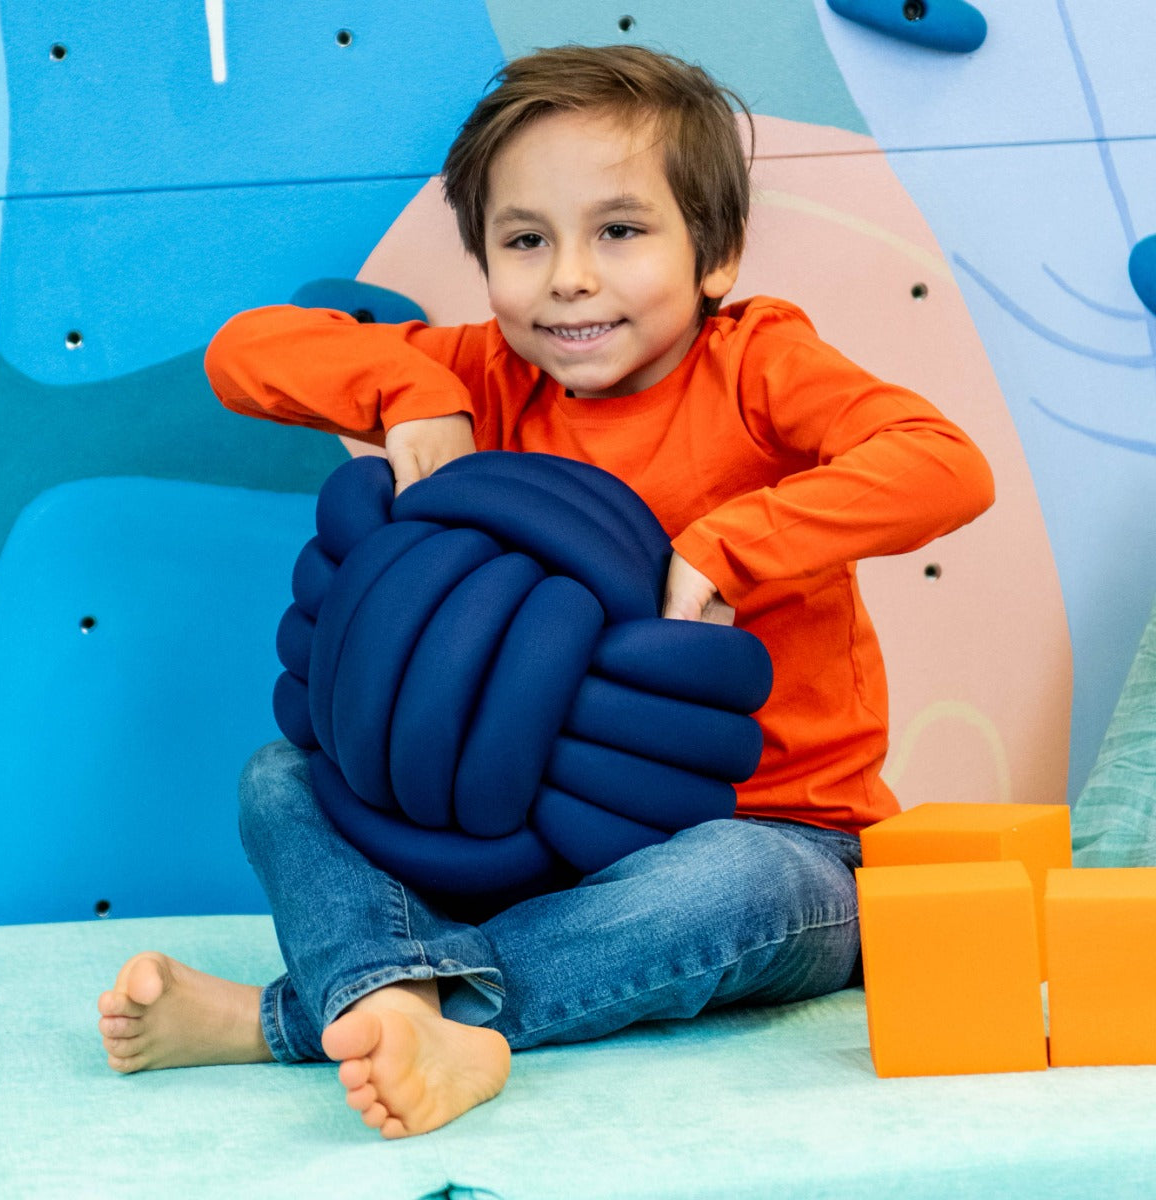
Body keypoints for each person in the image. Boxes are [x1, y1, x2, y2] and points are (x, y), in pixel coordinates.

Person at [97, 44, 994, 1138]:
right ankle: (411, 1009)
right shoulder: (480, 374)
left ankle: (305, 1018)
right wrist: (406, 388)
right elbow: (244, 353)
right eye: (526, 241)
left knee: (731, 886)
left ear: (714, 255)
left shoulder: (758, 366)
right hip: (505, 848)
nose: (568, 276)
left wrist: (736, 542)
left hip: (778, 839)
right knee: (281, 777)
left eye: (620, 232)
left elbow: (944, 463)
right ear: (486, 260)